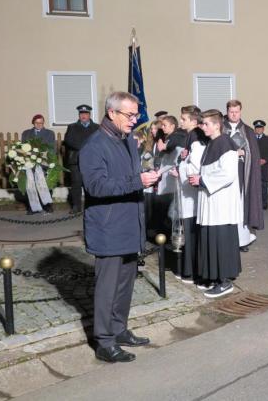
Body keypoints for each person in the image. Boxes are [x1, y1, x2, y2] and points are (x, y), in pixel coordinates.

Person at [79, 91, 160, 363]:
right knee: (107, 287)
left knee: (125, 284)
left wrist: (146, 179)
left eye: (136, 114)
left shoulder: (126, 141)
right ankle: (104, 341)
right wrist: (138, 181)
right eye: (130, 114)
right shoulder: (94, 145)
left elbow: (130, 177)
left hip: (129, 224)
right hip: (108, 227)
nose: (135, 120)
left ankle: (118, 329)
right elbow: (96, 186)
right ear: (112, 113)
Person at [189, 109, 243, 298]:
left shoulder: (226, 143)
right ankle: (213, 277)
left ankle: (225, 281)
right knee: (210, 239)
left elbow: (228, 174)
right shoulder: (212, 144)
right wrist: (198, 177)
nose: (202, 127)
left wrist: (202, 180)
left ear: (216, 125)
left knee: (220, 241)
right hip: (211, 202)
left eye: (205, 124)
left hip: (221, 204)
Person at [223, 100, 264, 251]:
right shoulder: (220, 129)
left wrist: (243, 153)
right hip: (225, 174)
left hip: (242, 174)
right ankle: (226, 239)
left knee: (241, 206)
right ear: (227, 112)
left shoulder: (248, 131)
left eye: (237, 111)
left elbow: (253, 154)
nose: (234, 114)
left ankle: (242, 240)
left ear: (241, 111)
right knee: (226, 206)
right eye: (231, 111)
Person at [167, 108, 202, 281]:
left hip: (191, 195)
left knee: (191, 234)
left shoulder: (195, 138)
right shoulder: (190, 136)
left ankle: (191, 271)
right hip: (186, 193)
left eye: (183, 119)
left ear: (194, 122)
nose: (180, 122)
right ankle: (186, 268)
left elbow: (195, 167)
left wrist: (179, 170)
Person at [63, 105, 99, 214]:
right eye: (81, 114)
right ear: (79, 115)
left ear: (89, 115)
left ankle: (91, 206)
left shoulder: (97, 128)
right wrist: (85, 146)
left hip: (92, 161)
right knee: (76, 184)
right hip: (76, 161)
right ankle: (76, 206)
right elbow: (68, 140)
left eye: (85, 113)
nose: (83, 116)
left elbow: (100, 141)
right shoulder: (72, 127)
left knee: (91, 184)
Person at [21, 114, 57, 214]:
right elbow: (23, 147)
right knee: (30, 184)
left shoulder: (49, 133)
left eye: (41, 123)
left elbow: (52, 148)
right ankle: (32, 207)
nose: (39, 125)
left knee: (44, 184)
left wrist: (44, 157)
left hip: (44, 162)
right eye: (37, 123)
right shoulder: (26, 133)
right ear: (33, 123)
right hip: (30, 162)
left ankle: (47, 205)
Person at [253, 120, 268, 210]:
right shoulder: (251, 139)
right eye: (257, 128)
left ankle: (264, 204)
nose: (258, 130)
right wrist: (256, 160)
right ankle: (255, 205)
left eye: (260, 128)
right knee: (254, 186)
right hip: (254, 166)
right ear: (255, 129)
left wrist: (265, 160)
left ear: (263, 129)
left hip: (264, 167)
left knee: (264, 186)